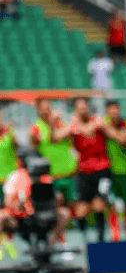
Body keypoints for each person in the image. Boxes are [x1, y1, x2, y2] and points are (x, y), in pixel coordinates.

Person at [70, 97, 126, 243]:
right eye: (80, 108)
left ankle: (100, 240)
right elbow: (56, 137)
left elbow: (120, 138)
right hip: (84, 172)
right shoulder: (73, 126)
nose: (83, 110)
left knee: (99, 205)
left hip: (102, 171)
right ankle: (84, 241)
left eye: (85, 107)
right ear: (75, 110)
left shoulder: (99, 123)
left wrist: (125, 132)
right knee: (81, 210)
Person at [30, 98, 77, 245]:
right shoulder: (36, 128)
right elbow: (39, 145)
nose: (46, 110)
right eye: (43, 107)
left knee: (72, 208)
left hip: (68, 173)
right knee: (57, 209)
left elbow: (70, 137)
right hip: (52, 176)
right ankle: (58, 241)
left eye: (48, 106)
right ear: (38, 110)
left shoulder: (60, 123)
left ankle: (68, 237)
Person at [102, 100, 126, 242]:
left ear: (119, 109)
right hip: (108, 171)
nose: (113, 112)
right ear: (106, 111)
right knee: (111, 205)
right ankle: (115, 236)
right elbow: (122, 139)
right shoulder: (104, 124)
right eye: (110, 109)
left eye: (115, 109)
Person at [0, 113, 18, 259]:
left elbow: (17, 148)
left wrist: (11, 136)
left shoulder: (9, 133)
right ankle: (3, 242)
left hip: (10, 182)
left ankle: (7, 240)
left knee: (10, 214)